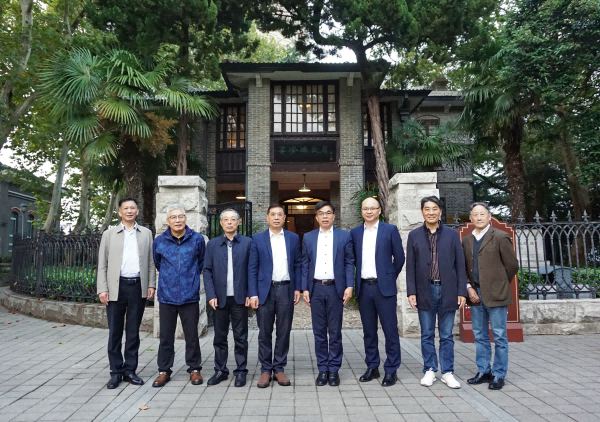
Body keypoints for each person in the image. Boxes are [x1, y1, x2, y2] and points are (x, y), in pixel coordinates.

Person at [406, 196, 467, 389]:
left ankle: (447, 372)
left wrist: (461, 291)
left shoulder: (452, 234)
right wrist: (411, 291)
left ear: (440, 211)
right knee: (426, 334)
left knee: (447, 334)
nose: (431, 212)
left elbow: (460, 264)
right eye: (427, 209)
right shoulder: (414, 235)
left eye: (434, 208)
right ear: (422, 212)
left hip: (448, 290)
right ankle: (430, 369)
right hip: (425, 290)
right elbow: (410, 266)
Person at [97, 197, 156, 389]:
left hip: (137, 286)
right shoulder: (109, 234)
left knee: (133, 332)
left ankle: (130, 370)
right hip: (116, 288)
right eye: (126, 208)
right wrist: (102, 288)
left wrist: (151, 284)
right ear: (120, 212)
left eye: (133, 208)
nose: (129, 211)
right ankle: (116, 372)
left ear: (137, 211)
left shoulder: (146, 233)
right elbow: (102, 264)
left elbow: (151, 262)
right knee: (115, 331)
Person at [463, 202, 519, 390]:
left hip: (496, 294)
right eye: (475, 214)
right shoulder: (467, 240)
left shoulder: (500, 236)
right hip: (475, 295)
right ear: (470, 218)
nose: (479, 217)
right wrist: (469, 287)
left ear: (489, 216)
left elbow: (512, 265)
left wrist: (499, 283)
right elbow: (464, 267)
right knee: (479, 336)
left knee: (499, 336)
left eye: (482, 214)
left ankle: (499, 374)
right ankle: (483, 371)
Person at [350, 197, 405, 387]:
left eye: (372, 208)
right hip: (364, 288)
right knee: (369, 331)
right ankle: (372, 366)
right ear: (362, 211)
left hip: (384, 288)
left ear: (379, 210)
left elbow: (399, 258)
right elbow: (352, 259)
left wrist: (389, 276)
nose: (369, 211)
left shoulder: (389, 230)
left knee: (390, 330)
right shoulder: (355, 233)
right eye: (365, 208)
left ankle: (391, 369)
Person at [151, 204, 206, 387]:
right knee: (166, 336)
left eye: (180, 216)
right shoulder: (160, 241)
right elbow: (158, 264)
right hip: (167, 295)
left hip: (190, 295)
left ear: (185, 218)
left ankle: (194, 369)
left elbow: (201, 263)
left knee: (192, 335)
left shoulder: (197, 239)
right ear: (167, 221)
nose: (177, 220)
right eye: (173, 217)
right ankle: (164, 370)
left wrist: (191, 280)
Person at [248, 204, 302, 388]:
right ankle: (265, 369)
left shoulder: (293, 238)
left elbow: (298, 264)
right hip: (265, 291)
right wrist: (253, 293)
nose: (276, 217)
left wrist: (298, 288)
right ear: (267, 218)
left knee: (284, 331)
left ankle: (279, 368)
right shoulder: (257, 239)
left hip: (286, 289)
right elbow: (252, 268)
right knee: (264, 332)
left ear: (284, 218)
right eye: (273, 214)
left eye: (280, 214)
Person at [302, 201, 354, 386]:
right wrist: (305, 288)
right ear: (316, 217)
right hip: (316, 289)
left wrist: (349, 286)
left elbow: (349, 262)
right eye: (321, 213)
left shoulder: (344, 236)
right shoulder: (308, 237)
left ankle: (334, 370)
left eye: (328, 213)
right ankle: (322, 369)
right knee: (319, 332)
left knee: (335, 331)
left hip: (335, 289)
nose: (325, 216)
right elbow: (305, 264)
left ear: (334, 216)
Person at [203, 209, 252, 387]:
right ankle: (220, 370)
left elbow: (252, 270)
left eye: (233, 219)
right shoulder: (213, 244)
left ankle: (241, 371)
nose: (229, 222)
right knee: (219, 337)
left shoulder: (248, 243)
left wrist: (250, 293)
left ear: (239, 222)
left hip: (240, 298)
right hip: (219, 298)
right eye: (226, 219)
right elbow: (207, 270)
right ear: (221, 223)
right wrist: (210, 295)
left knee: (241, 337)